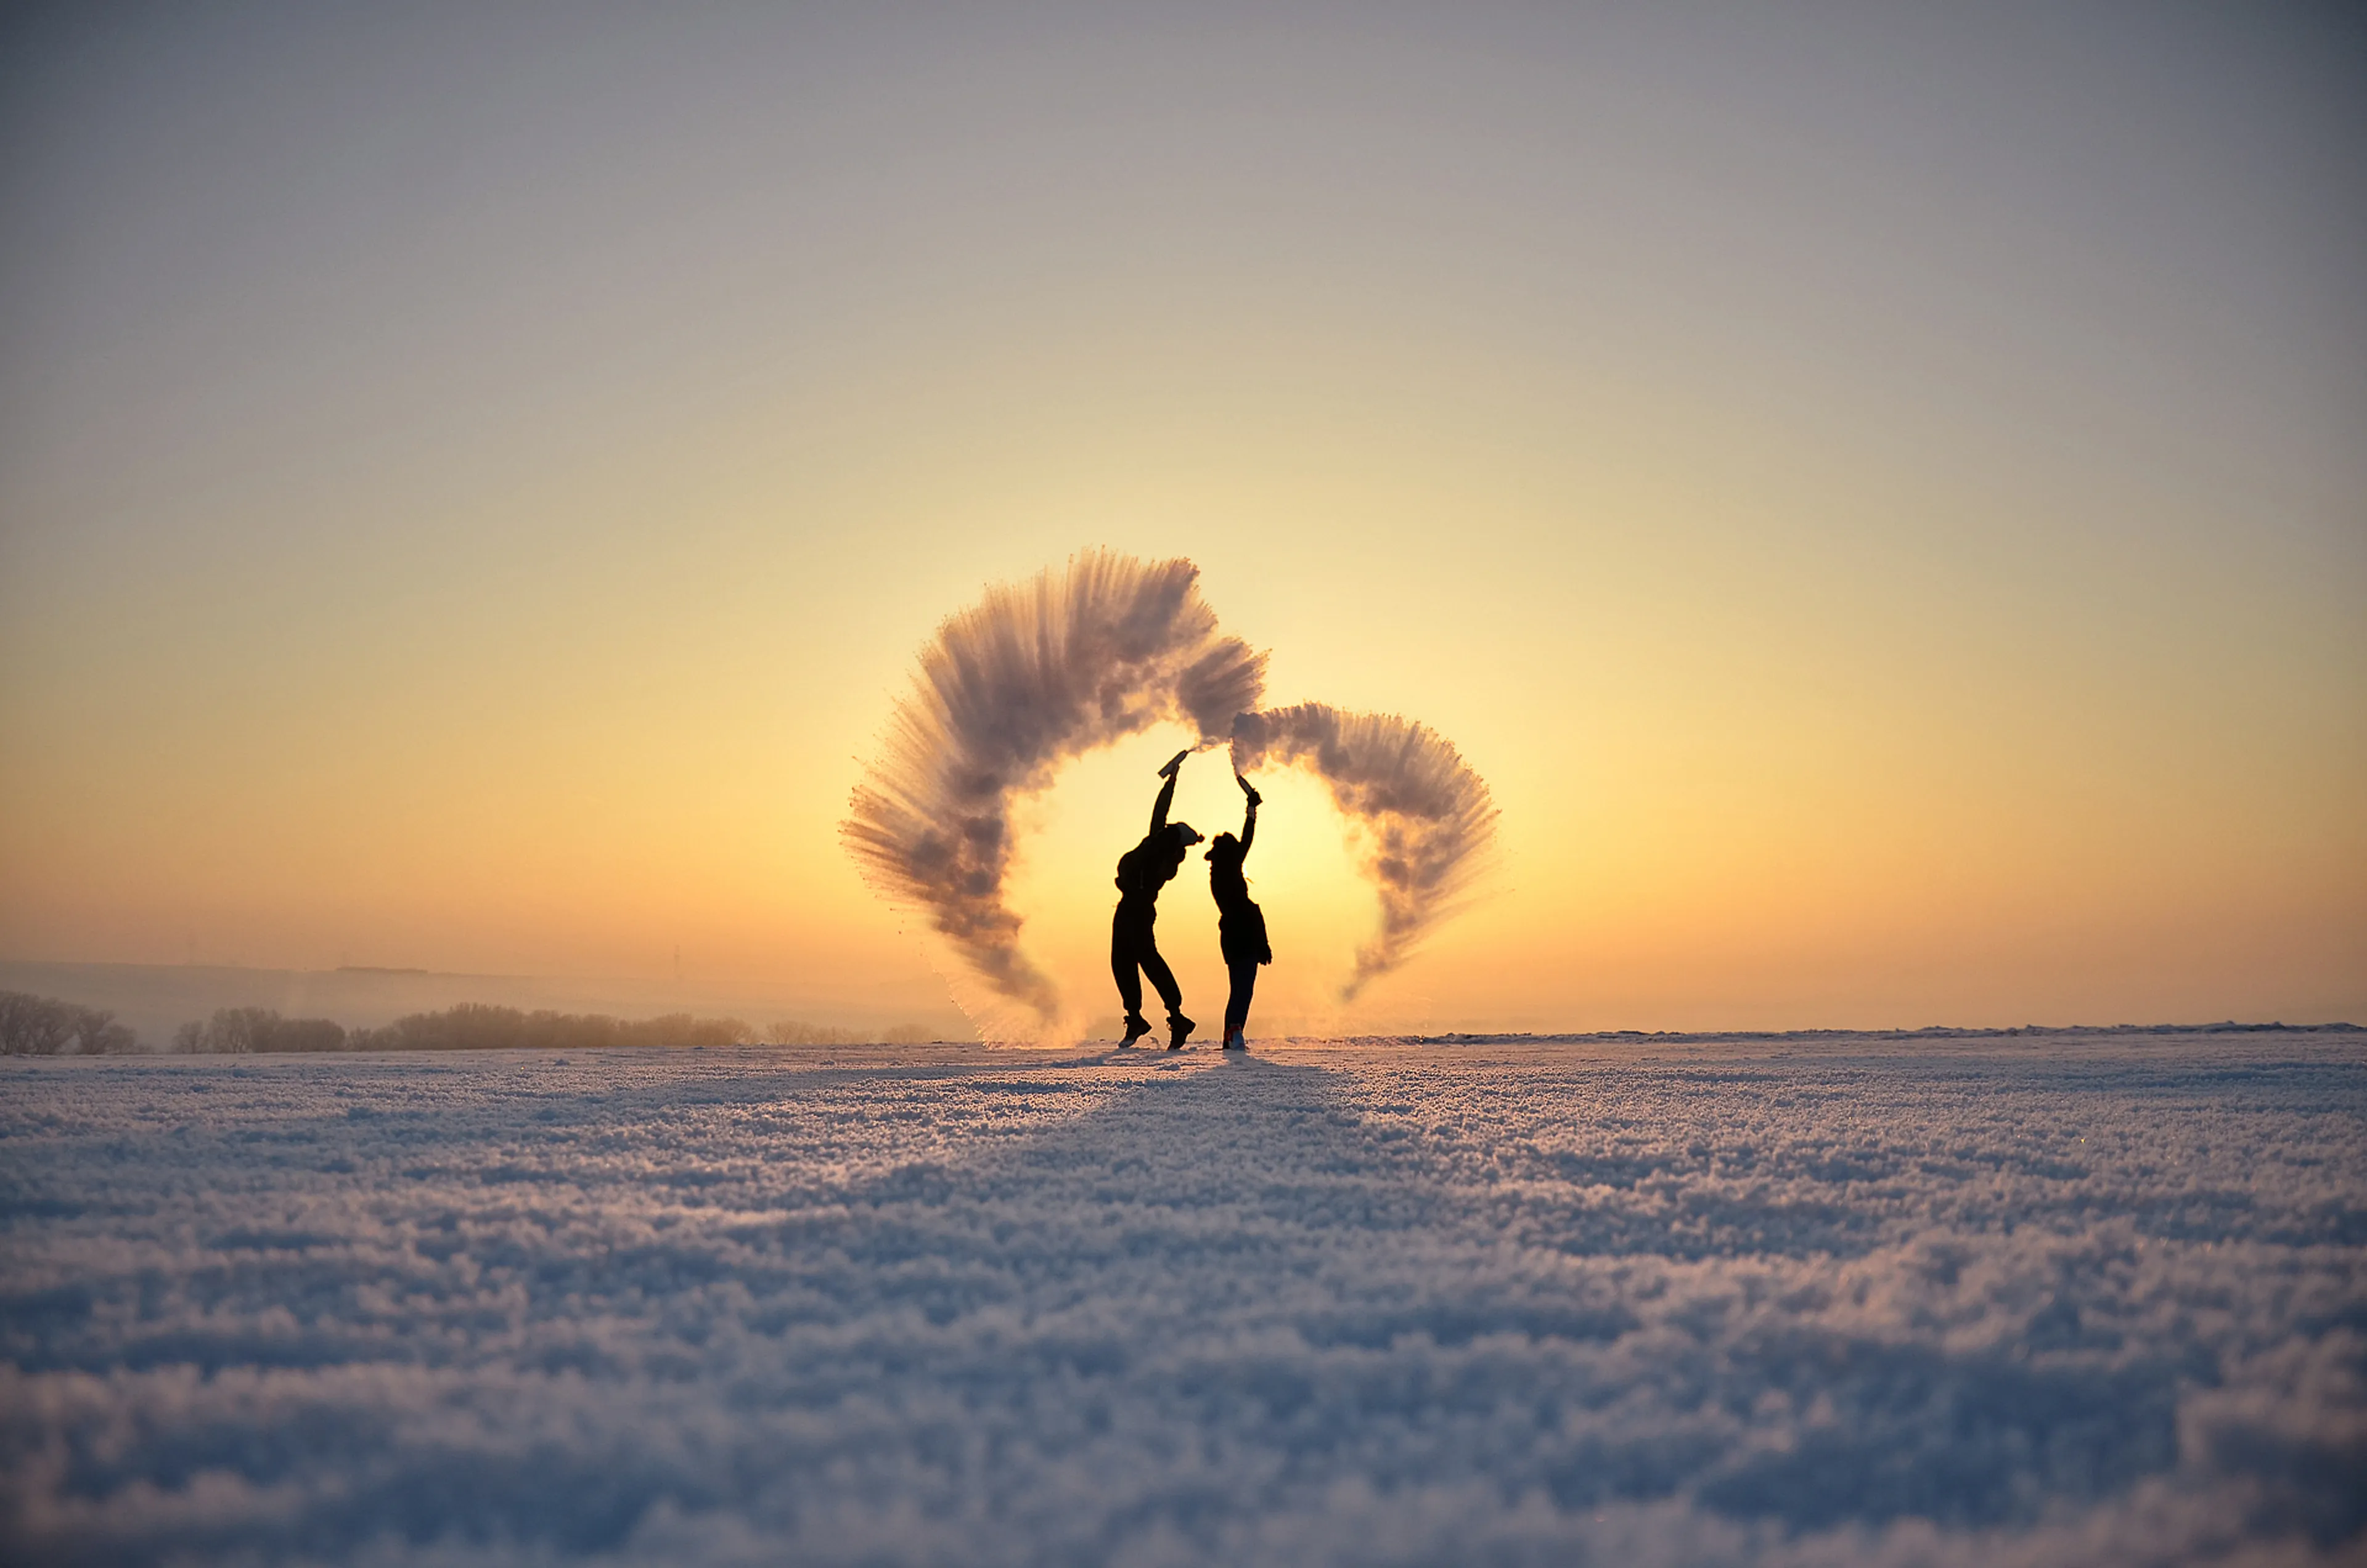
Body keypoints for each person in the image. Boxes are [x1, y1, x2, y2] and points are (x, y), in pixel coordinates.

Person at [1112, 749, 1202, 1047]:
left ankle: (1177, 1017)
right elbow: (1160, 811)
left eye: (1171, 831)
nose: (1166, 829)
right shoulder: (1158, 846)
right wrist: (1171, 781)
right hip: (1128, 909)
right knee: (1122, 962)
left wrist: (1171, 783)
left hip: (1138, 912)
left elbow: (1159, 815)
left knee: (1148, 962)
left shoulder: (1161, 856)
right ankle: (1137, 1018)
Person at [1204, 772, 1272, 1050]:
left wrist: (1251, 809)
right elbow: (1247, 839)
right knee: (1243, 988)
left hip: (1235, 937)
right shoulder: (1228, 872)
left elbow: (1245, 841)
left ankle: (1232, 1033)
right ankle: (1234, 1031)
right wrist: (1251, 809)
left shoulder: (1220, 873)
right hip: (1242, 935)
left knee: (1241, 988)